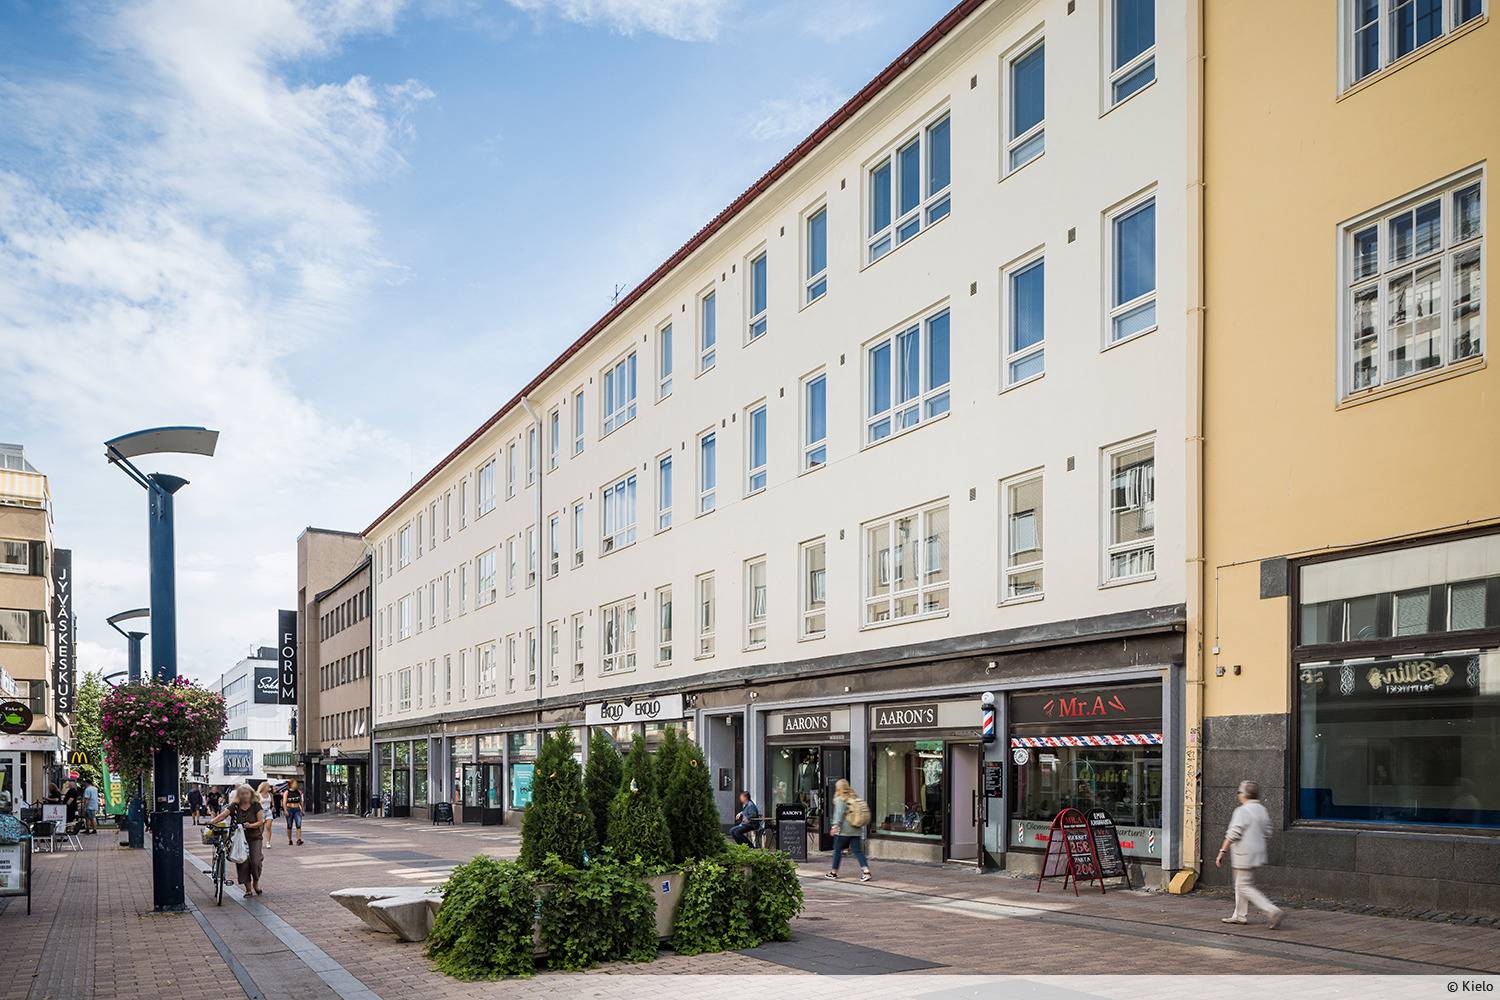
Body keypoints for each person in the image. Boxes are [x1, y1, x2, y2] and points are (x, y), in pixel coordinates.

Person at [1216, 779, 1284, 929]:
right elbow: (1268, 832)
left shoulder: (1241, 811)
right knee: (1241, 883)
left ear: (1244, 794)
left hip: (1243, 854)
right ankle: (1239, 915)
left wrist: (1222, 851)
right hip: (1257, 853)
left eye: (1239, 792)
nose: (1238, 795)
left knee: (1244, 886)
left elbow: (1233, 834)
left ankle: (1272, 910)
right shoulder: (1262, 810)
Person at [209, 784, 269, 895]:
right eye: (242, 794)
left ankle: (256, 882)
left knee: (256, 861)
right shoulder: (234, 806)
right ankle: (248, 889)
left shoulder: (256, 805)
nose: (244, 796)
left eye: (246, 793)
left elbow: (261, 821)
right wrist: (212, 822)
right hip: (238, 838)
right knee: (242, 862)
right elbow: (223, 815)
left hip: (254, 837)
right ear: (238, 795)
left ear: (251, 794)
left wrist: (251, 825)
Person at [825, 778, 872, 883]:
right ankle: (866, 871)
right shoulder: (854, 797)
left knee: (837, 851)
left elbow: (839, 814)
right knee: (858, 851)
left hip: (843, 831)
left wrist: (834, 827)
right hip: (856, 829)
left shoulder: (840, 799)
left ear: (838, 788)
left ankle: (833, 872)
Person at [283, 778, 304, 845]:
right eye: (295, 783)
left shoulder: (298, 792)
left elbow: (301, 801)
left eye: (296, 784)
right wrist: (285, 810)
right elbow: (284, 802)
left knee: (298, 825)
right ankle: (290, 840)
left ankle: (298, 839)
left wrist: (302, 809)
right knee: (289, 825)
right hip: (289, 809)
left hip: (297, 809)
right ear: (291, 784)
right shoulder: (287, 792)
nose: (296, 785)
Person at [257, 782, 277, 851]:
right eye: (268, 786)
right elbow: (255, 804)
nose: (269, 788)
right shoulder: (258, 795)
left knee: (268, 827)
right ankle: (259, 841)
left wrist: (272, 809)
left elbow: (273, 804)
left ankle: (268, 842)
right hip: (261, 812)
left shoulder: (270, 795)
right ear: (264, 787)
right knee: (260, 829)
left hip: (268, 812)